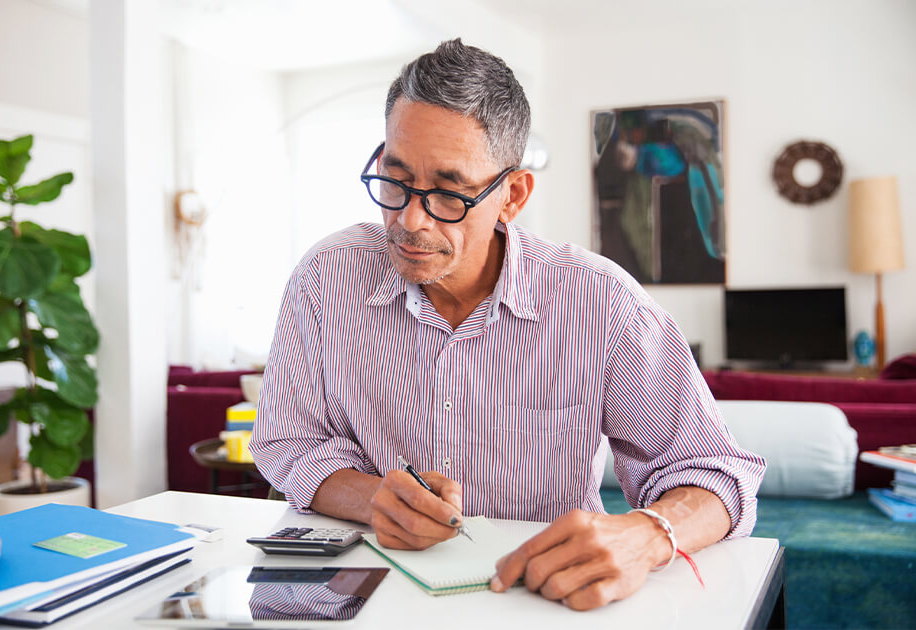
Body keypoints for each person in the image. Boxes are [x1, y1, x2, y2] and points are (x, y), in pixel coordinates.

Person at [250, 39, 765, 611]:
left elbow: (717, 475)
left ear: (512, 195)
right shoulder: (324, 278)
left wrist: (644, 535)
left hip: (537, 601)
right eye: (394, 179)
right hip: (370, 595)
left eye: (448, 193)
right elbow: (285, 442)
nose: (408, 219)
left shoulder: (600, 301)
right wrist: (372, 498)